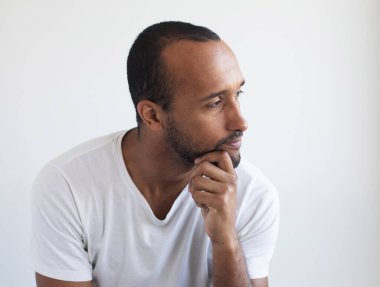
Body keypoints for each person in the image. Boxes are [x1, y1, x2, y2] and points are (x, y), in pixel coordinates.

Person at [31, 21, 279, 287]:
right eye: (215, 103)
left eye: (237, 93)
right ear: (152, 115)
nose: (241, 122)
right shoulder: (68, 185)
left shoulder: (253, 195)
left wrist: (226, 240)